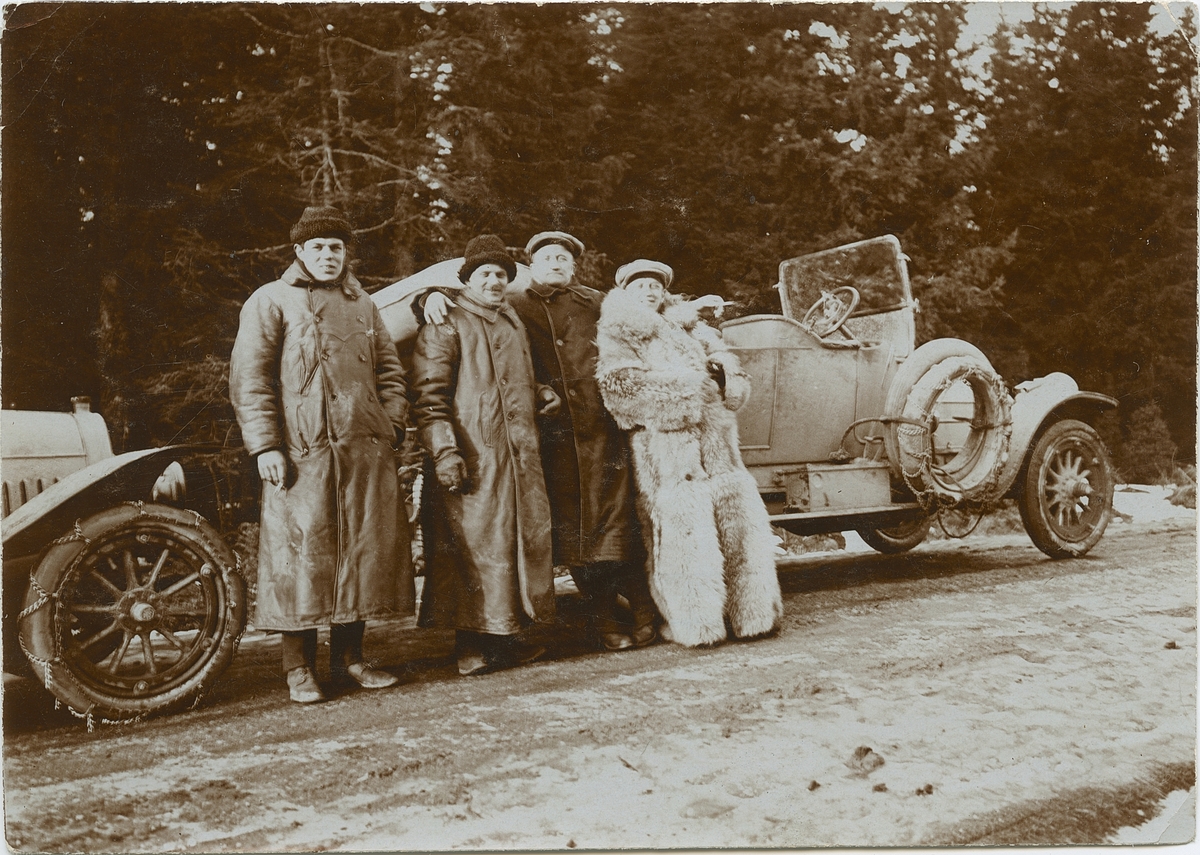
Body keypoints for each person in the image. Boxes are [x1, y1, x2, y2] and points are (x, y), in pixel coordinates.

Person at [423, 232, 656, 651]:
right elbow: (467, 301)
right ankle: (598, 620)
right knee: (559, 538)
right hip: (547, 443)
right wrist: (427, 296)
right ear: (533, 263)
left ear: (573, 266)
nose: (556, 262)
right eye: (547, 256)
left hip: (601, 433)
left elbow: (648, 312)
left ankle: (644, 613)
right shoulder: (514, 306)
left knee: (616, 529)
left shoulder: (598, 302)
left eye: (564, 257)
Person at [230, 205, 413, 703]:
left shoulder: (363, 304)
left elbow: (392, 374)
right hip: (300, 453)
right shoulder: (270, 301)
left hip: (364, 451)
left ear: (346, 253)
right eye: (319, 248)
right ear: (299, 252)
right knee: (302, 558)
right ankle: (298, 669)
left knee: (358, 553)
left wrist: (389, 424)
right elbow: (251, 382)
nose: (329, 255)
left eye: (336, 247)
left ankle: (350, 660)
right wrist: (266, 445)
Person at [595, 259, 783, 647]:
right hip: (668, 454)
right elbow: (619, 390)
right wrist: (695, 387)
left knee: (738, 530)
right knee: (683, 535)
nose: (649, 292)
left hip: (719, 448)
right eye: (640, 285)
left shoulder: (691, 326)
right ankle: (696, 626)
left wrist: (725, 378)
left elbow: (736, 379)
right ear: (626, 292)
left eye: (654, 286)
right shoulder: (618, 331)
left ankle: (754, 616)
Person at [410, 235, 560, 676]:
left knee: (510, 544)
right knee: (470, 550)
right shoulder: (446, 321)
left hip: (517, 457)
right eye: (484, 274)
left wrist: (541, 393)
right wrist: (444, 452)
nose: (493, 281)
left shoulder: (511, 319)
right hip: (473, 455)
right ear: (467, 280)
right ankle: (468, 647)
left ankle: (505, 639)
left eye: (500, 274)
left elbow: (519, 379)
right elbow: (429, 396)